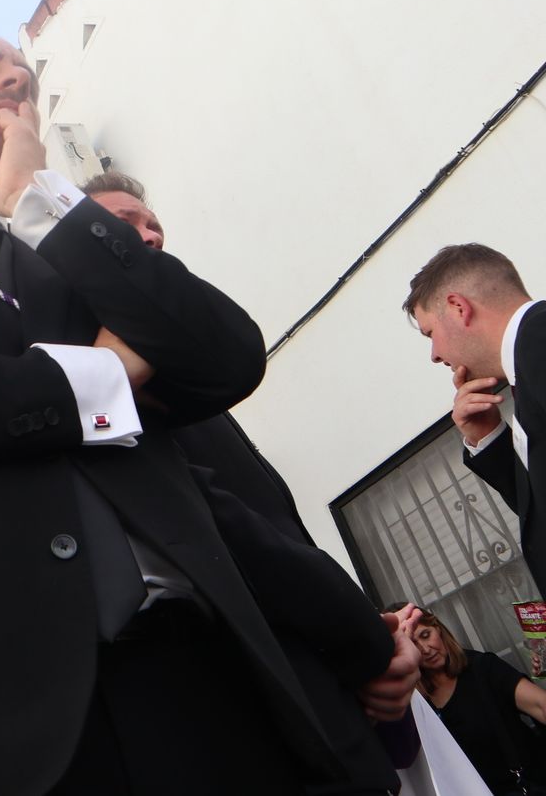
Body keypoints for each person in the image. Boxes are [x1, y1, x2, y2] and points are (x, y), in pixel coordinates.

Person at [0, 35, 416, 796]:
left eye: (22, 74)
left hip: (209, 689)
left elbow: (225, 359)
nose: (13, 78)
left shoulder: (74, 259)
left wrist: (39, 199)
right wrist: (100, 378)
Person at [84, 171, 417, 794]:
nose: (151, 235)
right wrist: (366, 644)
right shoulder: (101, 389)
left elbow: (273, 531)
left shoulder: (188, 382)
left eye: (154, 224)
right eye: (124, 224)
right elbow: (224, 527)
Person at [406, 244, 545, 590]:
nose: (435, 355)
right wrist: (489, 436)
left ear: (458, 307)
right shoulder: (527, 362)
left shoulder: (539, 340)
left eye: (430, 334)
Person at [413, 609, 546, 794]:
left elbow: (541, 705)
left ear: (438, 629)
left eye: (426, 635)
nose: (425, 649)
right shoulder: (415, 704)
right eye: (413, 645)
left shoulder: (483, 669)